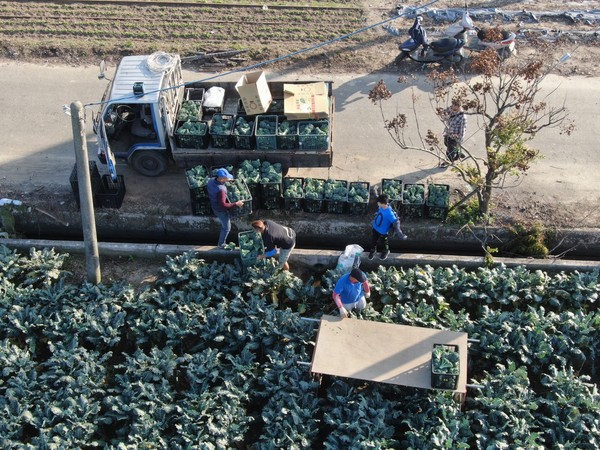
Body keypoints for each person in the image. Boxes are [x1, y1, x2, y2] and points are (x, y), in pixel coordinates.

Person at [207, 168, 244, 248]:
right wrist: (236, 203)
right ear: (221, 178)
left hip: (214, 204)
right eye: (226, 178)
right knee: (227, 227)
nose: (228, 179)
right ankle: (221, 244)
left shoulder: (211, 180)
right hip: (220, 210)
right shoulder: (221, 190)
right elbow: (223, 205)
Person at [369, 194, 407, 260]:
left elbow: (396, 222)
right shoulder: (381, 207)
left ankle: (385, 251)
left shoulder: (389, 213)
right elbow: (378, 214)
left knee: (384, 243)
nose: (377, 203)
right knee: (373, 240)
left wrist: (400, 233)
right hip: (375, 228)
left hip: (383, 232)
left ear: (382, 203)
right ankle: (373, 250)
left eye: (378, 203)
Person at [441, 100, 467, 165]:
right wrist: (442, 113)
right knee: (446, 143)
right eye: (452, 105)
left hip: (454, 136)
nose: (452, 107)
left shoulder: (462, 117)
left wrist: (459, 140)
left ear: (458, 106)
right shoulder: (451, 109)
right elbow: (444, 112)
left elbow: (462, 130)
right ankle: (458, 152)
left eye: (454, 106)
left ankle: (449, 161)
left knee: (450, 150)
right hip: (448, 132)